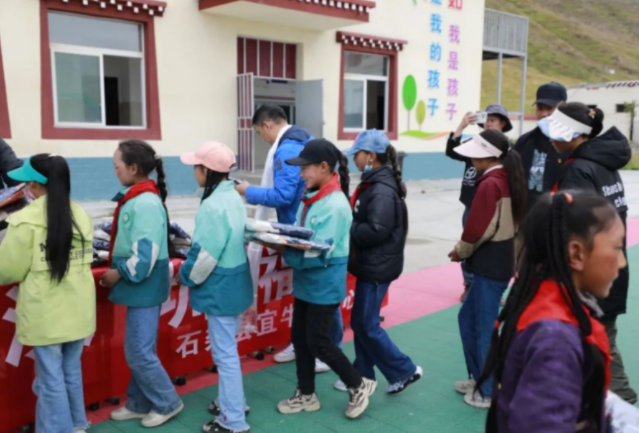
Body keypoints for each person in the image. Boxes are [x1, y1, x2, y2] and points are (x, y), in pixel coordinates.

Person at [478, 192, 624, 432]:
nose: (622, 262)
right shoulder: (556, 340)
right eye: (617, 248)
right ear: (576, 254)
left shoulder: (543, 302)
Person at [539, 102, 637, 404]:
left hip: (591, 272)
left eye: (556, 133)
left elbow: (575, 229)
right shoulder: (601, 164)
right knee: (598, 339)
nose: (551, 139)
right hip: (610, 265)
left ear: (574, 134)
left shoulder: (578, 170)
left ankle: (624, 405)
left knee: (599, 343)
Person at [235, 104, 342, 373]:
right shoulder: (299, 141)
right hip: (301, 227)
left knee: (322, 297)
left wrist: (248, 191)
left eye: (260, 132)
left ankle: (330, 349)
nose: (263, 138)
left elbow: (283, 195)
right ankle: (304, 344)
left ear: (267, 125)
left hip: (303, 229)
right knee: (308, 294)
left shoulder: (286, 150)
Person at [277, 139, 376, 419]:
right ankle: (306, 394)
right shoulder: (313, 195)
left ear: (323, 167)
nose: (301, 175)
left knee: (319, 342)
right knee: (300, 339)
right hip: (307, 283)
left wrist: (284, 249)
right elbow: (303, 235)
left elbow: (317, 252)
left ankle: (358, 385)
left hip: (324, 283)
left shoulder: (334, 204)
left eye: (305, 168)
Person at [0, 154, 95, 433]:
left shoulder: (25, 221)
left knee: (50, 379)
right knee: (70, 372)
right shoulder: (81, 214)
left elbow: (7, 271)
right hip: (78, 310)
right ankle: (77, 424)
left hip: (46, 314)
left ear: (33, 185)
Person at [100, 140, 184, 427]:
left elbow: (145, 256)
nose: (115, 172)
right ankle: (138, 403)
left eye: (117, 167)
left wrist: (118, 273)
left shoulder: (145, 202)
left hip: (144, 286)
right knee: (139, 349)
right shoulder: (137, 198)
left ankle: (168, 401)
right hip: (141, 288)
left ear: (133, 168)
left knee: (139, 352)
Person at [337, 130, 422, 394]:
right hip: (372, 263)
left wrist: (346, 226)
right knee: (362, 323)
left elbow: (376, 230)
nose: (355, 159)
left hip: (377, 266)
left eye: (358, 154)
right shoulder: (375, 182)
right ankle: (362, 374)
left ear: (371, 156)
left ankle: (404, 370)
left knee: (367, 325)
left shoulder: (381, 189)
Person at [448, 130, 527, 409]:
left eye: (474, 154)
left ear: (487, 156)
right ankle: (479, 377)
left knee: (483, 329)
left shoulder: (490, 184)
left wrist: (460, 251)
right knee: (468, 320)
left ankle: (488, 390)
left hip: (490, 266)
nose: (471, 159)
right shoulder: (506, 178)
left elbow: (478, 229)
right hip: (497, 264)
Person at [179, 143, 253, 433]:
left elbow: (204, 255)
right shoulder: (233, 195)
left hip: (220, 287)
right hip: (237, 282)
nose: (194, 172)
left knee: (225, 354)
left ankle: (233, 420)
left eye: (196, 167)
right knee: (228, 350)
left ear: (206, 170)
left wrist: (185, 276)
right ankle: (232, 403)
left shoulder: (212, 205)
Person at [446, 104, 513, 302]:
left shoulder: (507, 151)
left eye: (493, 120)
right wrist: (461, 126)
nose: (488, 124)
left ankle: (492, 289)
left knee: (492, 247)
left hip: (496, 205)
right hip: (472, 203)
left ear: (503, 123)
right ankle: (470, 284)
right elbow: (452, 151)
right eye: (486, 120)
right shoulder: (474, 143)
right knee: (470, 239)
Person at [514, 82, 567, 210]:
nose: (543, 113)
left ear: (563, 109)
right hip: (528, 215)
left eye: (549, 108)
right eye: (540, 108)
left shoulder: (571, 143)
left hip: (560, 215)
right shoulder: (524, 141)